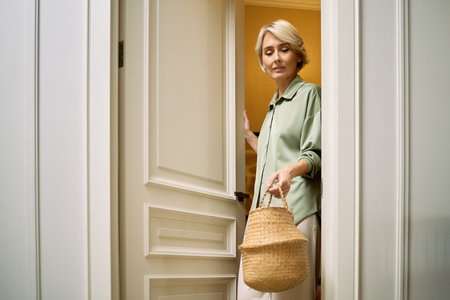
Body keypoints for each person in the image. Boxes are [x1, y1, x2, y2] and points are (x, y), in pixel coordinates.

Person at [238, 19, 321, 300]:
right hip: (264, 217)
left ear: (297, 54)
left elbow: (315, 155)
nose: (276, 58)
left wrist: (290, 171)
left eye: (283, 49)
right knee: (249, 292)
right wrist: (249, 135)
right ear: (262, 61)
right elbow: (272, 155)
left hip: (296, 211)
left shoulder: (310, 94)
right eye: (268, 51)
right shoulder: (273, 105)